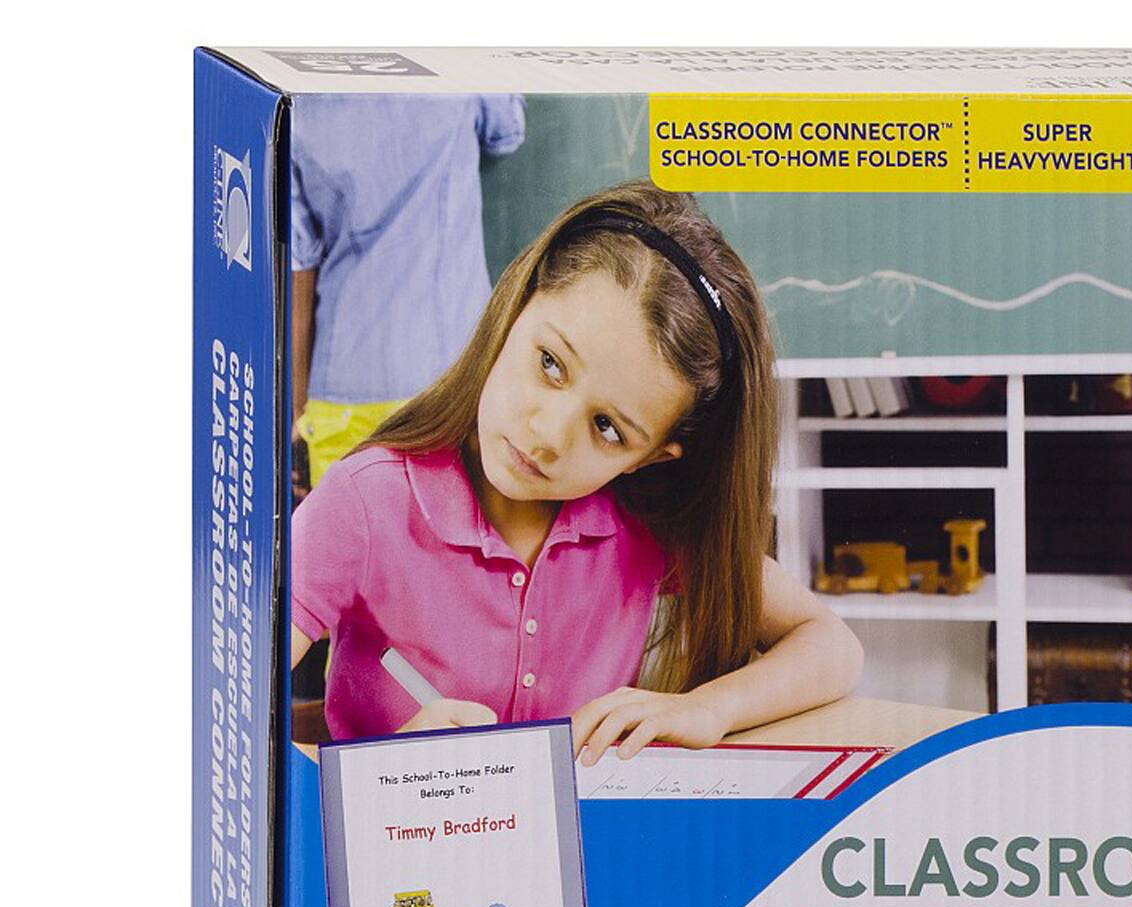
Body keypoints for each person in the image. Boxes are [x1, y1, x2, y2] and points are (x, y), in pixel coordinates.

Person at [289, 182, 863, 762]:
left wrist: (708, 708)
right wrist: (387, 769)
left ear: (650, 457)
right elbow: (235, 704)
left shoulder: (641, 526)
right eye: (550, 363)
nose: (548, 434)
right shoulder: (366, 501)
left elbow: (832, 646)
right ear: (517, 304)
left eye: (607, 428)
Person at [290, 93, 527, 494]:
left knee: (346, 533)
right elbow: (507, 129)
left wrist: (295, 406)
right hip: (457, 380)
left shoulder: (299, 109)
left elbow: (299, 270)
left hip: (344, 386)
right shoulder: (454, 78)